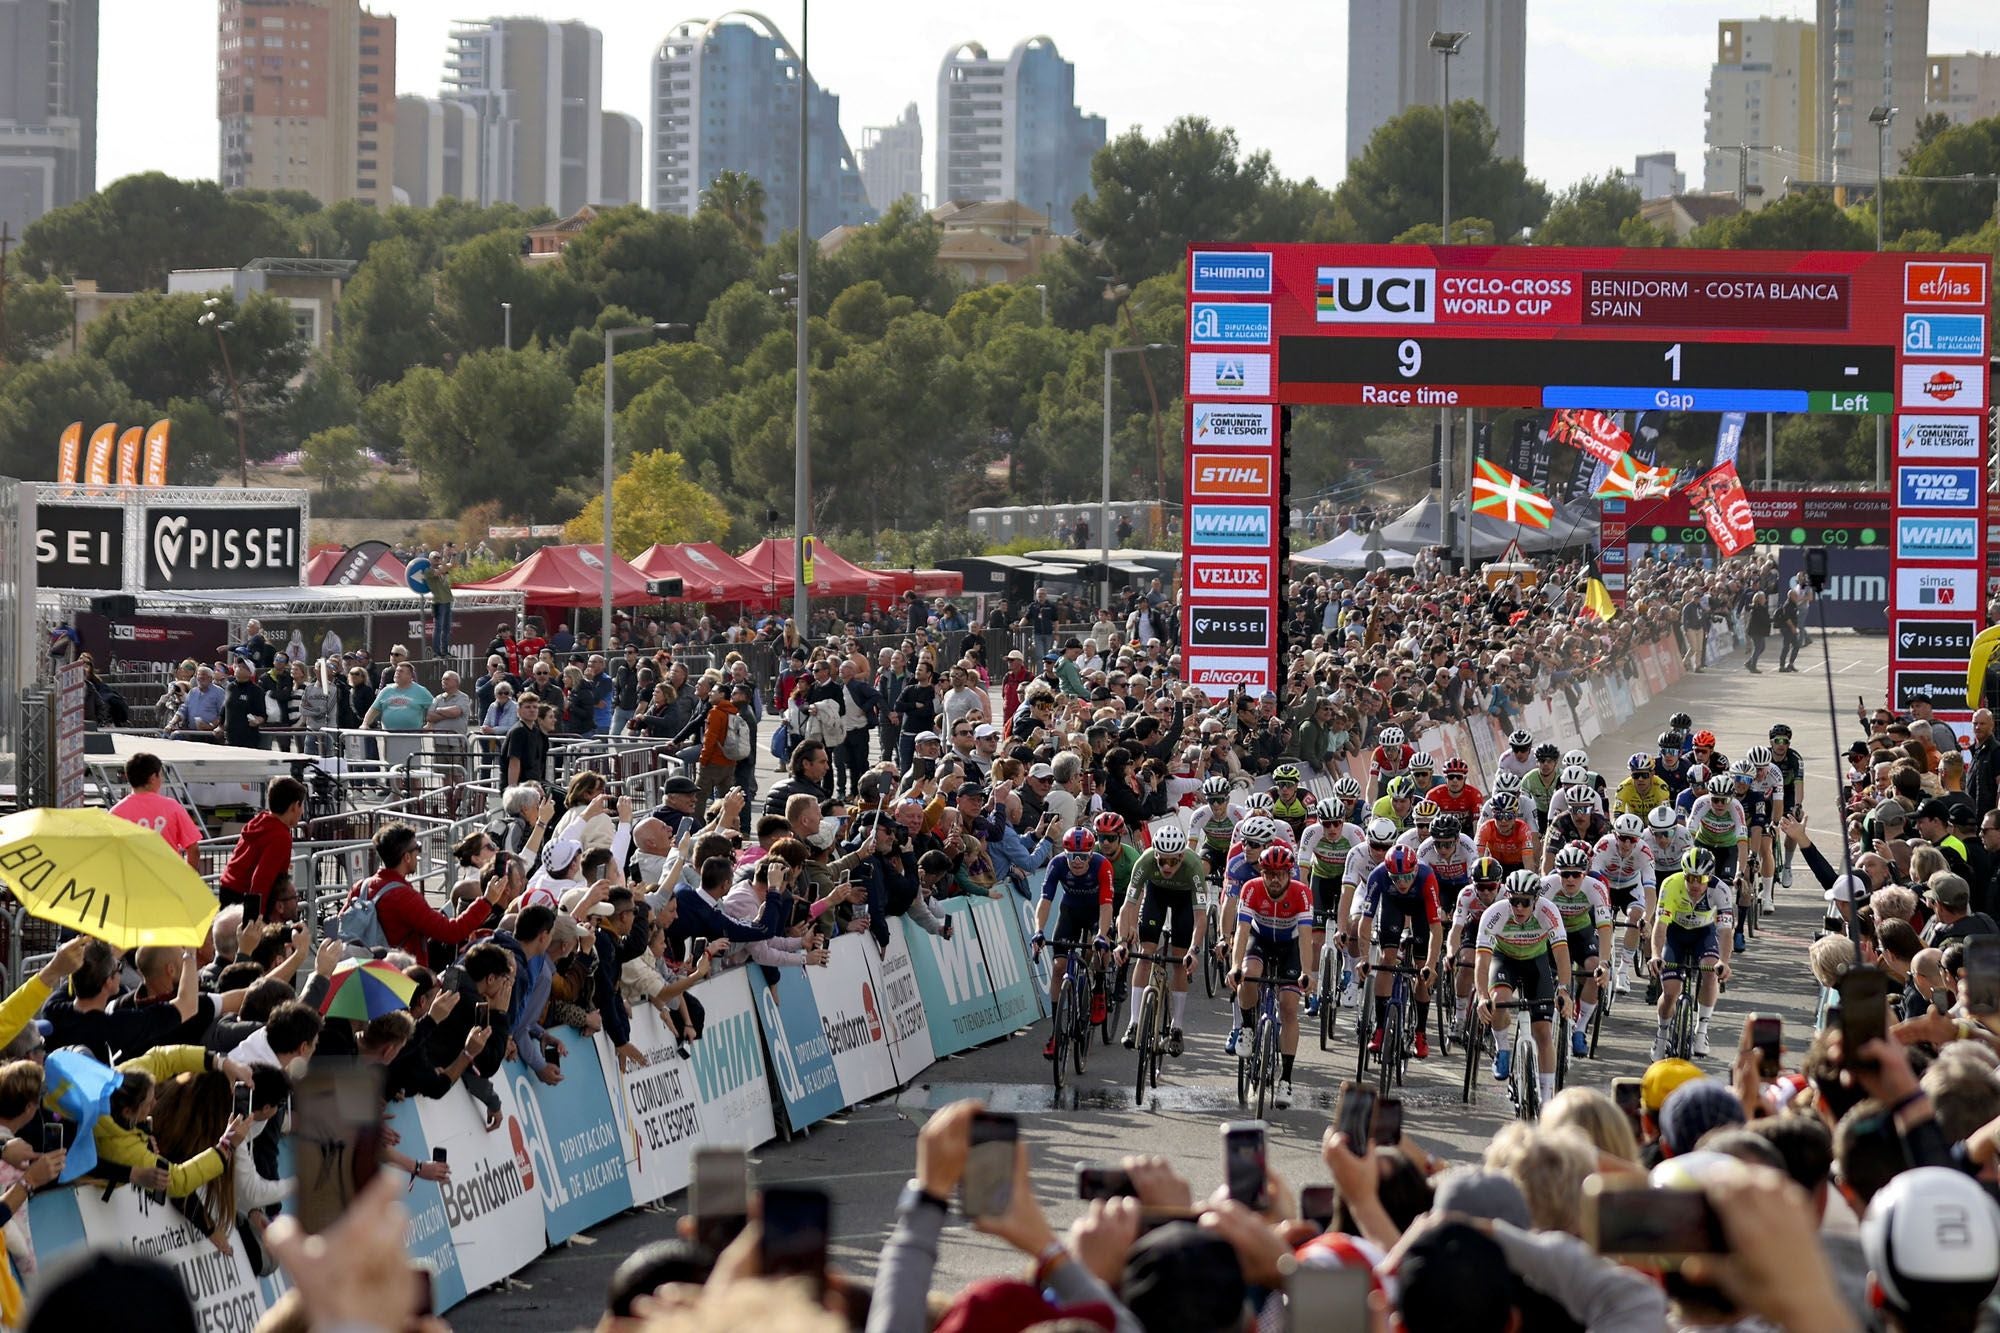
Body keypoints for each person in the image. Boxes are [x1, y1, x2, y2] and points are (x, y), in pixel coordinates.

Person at [1475, 869, 1572, 1105]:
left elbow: (1560, 953)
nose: (1519, 907)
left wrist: (1564, 990)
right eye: (1514, 901)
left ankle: (1547, 1097)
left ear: (1536, 900)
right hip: (1505, 959)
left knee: (1543, 1033)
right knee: (1498, 1001)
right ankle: (1503, 1048)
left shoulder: (1549, 911)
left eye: (1525, 902)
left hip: (1536, 963)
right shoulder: (1494, 913)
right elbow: (1482, 958)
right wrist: (1481, 995)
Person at [1114, 823, 1204, 1057]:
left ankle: (1177, 1028)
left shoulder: (1193, 866)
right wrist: (1122, 941)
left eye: (1173, 861)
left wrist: (1193, 951)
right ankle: (1134, 1023)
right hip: (1157, 895)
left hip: (1185, 899)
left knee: (1178, 961)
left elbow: (1201, 916)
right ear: (1155, 855)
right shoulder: (1144, 862)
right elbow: (1127, 907)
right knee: (1145, 955)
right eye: (1162, 860)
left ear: (1182, 857)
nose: (1166, 866)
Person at [1030, 828, 1114, 1060]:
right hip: (1070, 911)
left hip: (1097, 910)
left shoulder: (1102, 865)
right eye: (1072, 856)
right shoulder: (1057, 864)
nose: (1077, 862)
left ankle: (1098, 991)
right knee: (1059, 967)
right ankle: (1056, 1032)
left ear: (1091, 853)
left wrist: (1101, 935)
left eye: (1083, 857)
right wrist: (1038, 930)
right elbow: (1045, 901)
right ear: (1065, 854)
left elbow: (1107, 905)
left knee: (1101, 949)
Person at [1650, 847, 1735, 1059]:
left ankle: (1702, 1030)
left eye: (1701, 878)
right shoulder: (1671, 884)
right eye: (1690, 878)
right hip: (1675, 934)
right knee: (1670, 992)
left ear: (1710, 876)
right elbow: (1660, 926)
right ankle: (1662, 1034)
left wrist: (1724, 962)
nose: (1695, 884)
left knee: (1710, 971)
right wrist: (1655, 955)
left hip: (1703, 934)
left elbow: (1725, 932)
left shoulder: (1721, 890)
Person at [215, 776, 306, 922]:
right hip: (246, 898)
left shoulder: (259, 821)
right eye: (302, 806)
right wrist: (257, 920)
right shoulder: (280, 836)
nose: (302, 811)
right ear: (294, 806)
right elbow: (261, 880)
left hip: (229, 888)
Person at [109, 752, 203, 868]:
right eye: (161, 775)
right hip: (168, 879)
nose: (162, 779)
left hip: (132, 880)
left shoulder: (115, 813)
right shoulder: (172, 807)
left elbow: (110, 853)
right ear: (153, 778)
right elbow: (193, 849)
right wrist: (187, 877)